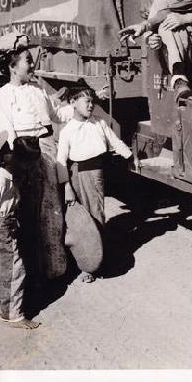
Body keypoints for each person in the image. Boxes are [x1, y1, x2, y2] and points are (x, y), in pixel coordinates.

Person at [0, 32, 74, 286]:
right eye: (27, 60)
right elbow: (9, 133)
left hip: (47, 151)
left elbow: (58, 115)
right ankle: (32, 272)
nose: (32, 64)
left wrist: (83, 104)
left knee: (52, 208)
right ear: (13, 67)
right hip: (25, 155)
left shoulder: (38, 90)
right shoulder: (4, 95)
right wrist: (18, 166)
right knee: (29, 213)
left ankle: (55, 269)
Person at [56, 85, 133, 282]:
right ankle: (85, 266)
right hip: (76, 174)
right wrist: (67, 187)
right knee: (81, 221)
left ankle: (97, 262)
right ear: (73, 103)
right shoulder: (67, 131)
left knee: (97, 215)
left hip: (95, 173)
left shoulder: (99, 123)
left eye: (92, 101)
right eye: (86, 101)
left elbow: (115, 141)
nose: (91, 105)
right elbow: (61, 161)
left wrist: (130, 156)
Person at [0, 132, 40, 329]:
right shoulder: (0, 179)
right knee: (14, 268)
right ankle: (13, 316)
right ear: (0, 158)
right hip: (1, 224)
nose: (11, 151)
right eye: (6, 150)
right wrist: (1, 217)